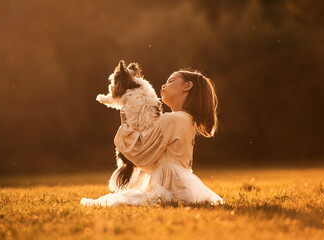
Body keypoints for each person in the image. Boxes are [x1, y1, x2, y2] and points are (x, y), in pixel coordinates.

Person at [80, 70, 225, 207]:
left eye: (171, 81)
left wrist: (126, 124)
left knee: (125, 201)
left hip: (168, 186)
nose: (164, 85)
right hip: (180, 184)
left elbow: (143, 152)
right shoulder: (185, 119)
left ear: (187, 86)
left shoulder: (172, 119)